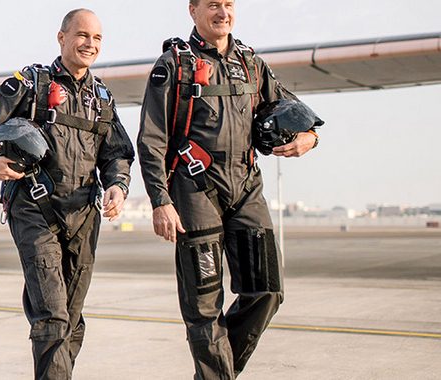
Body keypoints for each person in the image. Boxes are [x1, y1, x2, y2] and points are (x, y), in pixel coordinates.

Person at [137, 1, 320, 379]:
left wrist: (310, 137)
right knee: (204, 308)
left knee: (267, 290)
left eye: (228, 4)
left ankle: (215, 375)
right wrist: (160, 200)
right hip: (194, 189)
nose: (222, 12)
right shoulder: (173, 65)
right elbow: (151, 138)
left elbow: (292, 109)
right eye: (213, 5)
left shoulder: (251, 63)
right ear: (193, 10)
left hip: (246, 187)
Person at [0, 9, 135, 380]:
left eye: (97, 38)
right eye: (82, 35)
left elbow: (117, 152)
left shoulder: (102, 98)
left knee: (71, 320)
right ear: (62, 37)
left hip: (85, 215)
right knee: (52, 317)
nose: (89, 44)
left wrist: (118, 186)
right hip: (35, 210)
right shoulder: (31, 84)